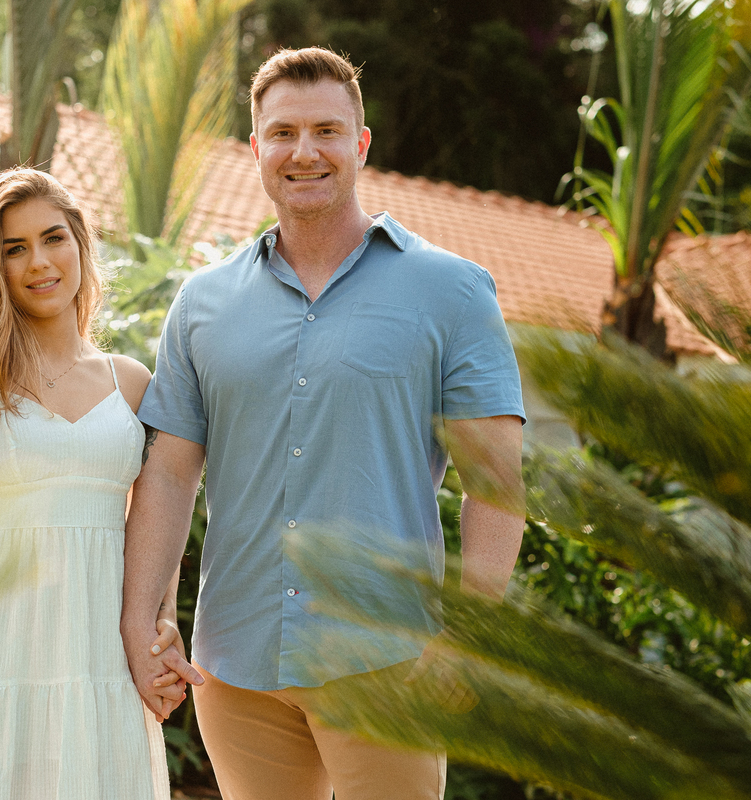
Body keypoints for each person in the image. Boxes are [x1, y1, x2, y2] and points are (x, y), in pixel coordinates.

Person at [121, 47, 527, 800]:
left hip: (386, 663)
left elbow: (496, 483)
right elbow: (170, 475)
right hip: (235, 665)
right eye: (282, 133)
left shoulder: (453, 292)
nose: (303, 151)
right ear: (256, 148)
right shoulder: (203, 303)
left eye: (326, 131)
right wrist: (147, 620)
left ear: (361, 143)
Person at [0, 168, 199, 800]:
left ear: (81, 244)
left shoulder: (131, 384)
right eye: (15, 249)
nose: (39, 262)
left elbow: (155, 523)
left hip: (101, 671)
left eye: (53, 238)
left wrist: (161, 621)